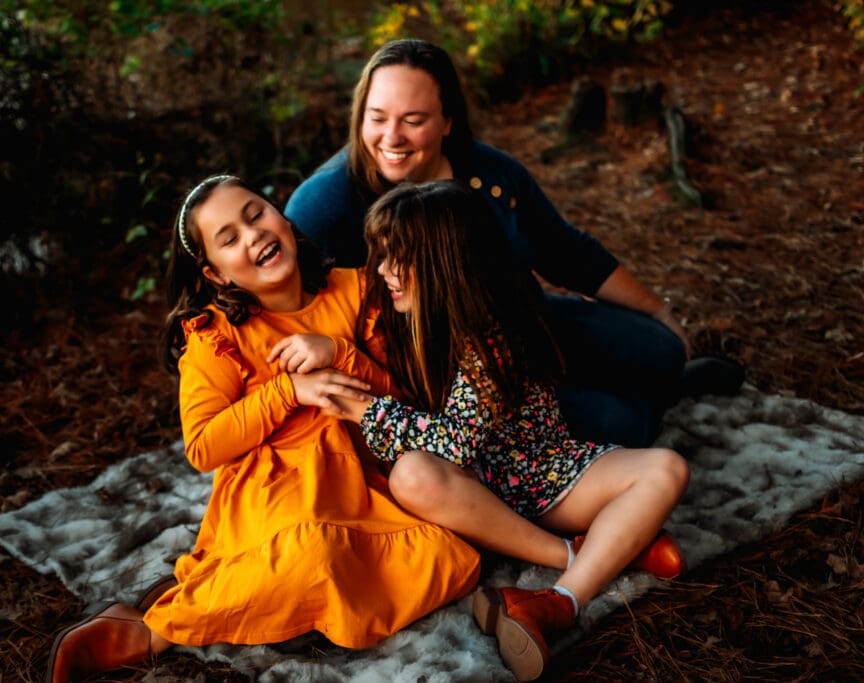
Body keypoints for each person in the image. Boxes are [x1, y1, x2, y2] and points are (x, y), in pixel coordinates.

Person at [44, 175, 481, 682]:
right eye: (229, 238)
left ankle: (287, 605)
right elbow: (204, 446)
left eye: (256, 214)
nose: (252, 236)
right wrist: (287, 390)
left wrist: (339, 354)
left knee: (454, 558)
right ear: (216, 274)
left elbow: (410, 396)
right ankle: (160, 627)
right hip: (278, 489)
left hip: (369, 475)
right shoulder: (217, 336)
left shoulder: (358, 288)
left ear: (284, 219)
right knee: (312, 552)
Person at [285, 38, 744, 448]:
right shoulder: (325, 205)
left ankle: (654, 381)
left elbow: (565, 250)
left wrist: (658, 310)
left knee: (662, 349)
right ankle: (641, 404)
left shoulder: (490, 173)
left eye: (414, 120)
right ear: (360, 115)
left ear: (447, 121)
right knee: (621, 424)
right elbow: (285, 307)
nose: (392, 137)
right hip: (444, 374)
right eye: (378, 118)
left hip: (525, 321)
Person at [323, 180, 690, 681]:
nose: (383, 269)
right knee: (413, 475)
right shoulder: (407, 320)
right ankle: (597, 551)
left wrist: (365, 408)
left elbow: (455, 441)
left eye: (399, 255)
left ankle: (560, 599)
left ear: (447, 261)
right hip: (474, 498)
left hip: (544, 478)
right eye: (381, 253)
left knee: (666, 468)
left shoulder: (491, 336)